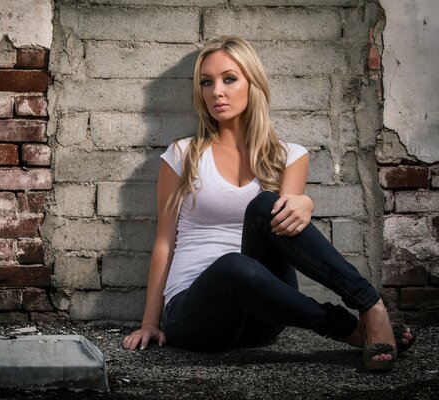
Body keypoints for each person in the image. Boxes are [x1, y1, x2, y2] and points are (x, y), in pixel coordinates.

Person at [122, 36, 415, 371]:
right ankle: (349, 329)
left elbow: (287, 227)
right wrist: (149, 322)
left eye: (229, 79)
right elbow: (165, 241)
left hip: (264, 315)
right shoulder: (183, 155)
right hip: (196, 313)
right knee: (233, 266)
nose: (216, 91)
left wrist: (305, 202)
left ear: (252, 83)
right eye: (207, 82)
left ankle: (368, 301)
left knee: (266, 206)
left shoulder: (289, 156)